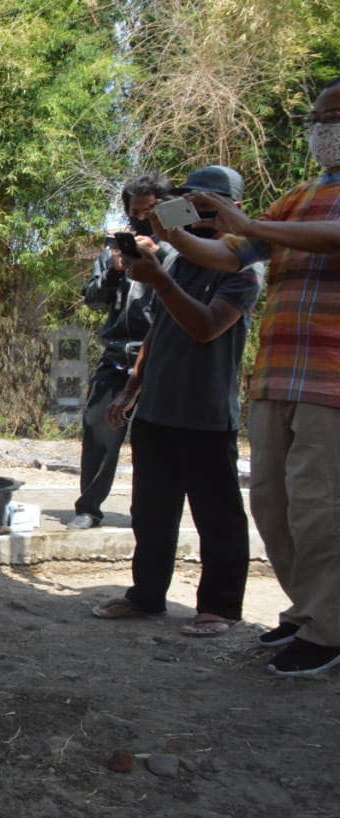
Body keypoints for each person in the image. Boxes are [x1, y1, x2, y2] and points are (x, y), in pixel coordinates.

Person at [160, 77, 340, 676]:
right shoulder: (297, 197)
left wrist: (250, 226)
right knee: (275, 504)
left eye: (332, 117)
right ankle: (305, 613)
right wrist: (176, 234)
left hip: (331, 380)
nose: (321, 130)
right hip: (276, 376)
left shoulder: (295, 214)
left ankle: (329, 629)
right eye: (316, 118)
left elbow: (322, 238)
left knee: (321, 507)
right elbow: (229, 252)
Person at [93, 166, 263, 639]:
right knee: (151, 511)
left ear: (233, 211)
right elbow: (158, 334)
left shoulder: (244, 270)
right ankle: (147, 596)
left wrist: (162, 283)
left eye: (211, 206)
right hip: (157, 410)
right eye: (194, 204)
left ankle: (219, 608)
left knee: (217, 514)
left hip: (205, 413)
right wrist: (132, 390)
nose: (200, 214)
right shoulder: (175, 262)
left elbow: (207, 326)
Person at [68, 173, 173, 530]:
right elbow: (94, 301)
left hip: (159, 357)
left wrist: (158, 258)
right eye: (136, 210)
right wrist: (114, 271)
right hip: (116, 354)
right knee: (98, 431)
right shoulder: (116, 246)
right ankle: (88, 508)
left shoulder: (179, 245)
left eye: (151, 209)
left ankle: (149, 514)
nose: (142, 216)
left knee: (153, 443)